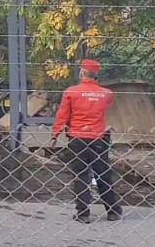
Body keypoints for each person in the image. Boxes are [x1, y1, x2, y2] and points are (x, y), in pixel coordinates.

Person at [48, 58, 122, 224]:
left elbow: (62, 116)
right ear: (96, 75)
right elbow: (103, 108)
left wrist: (54, 135)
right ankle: (113, 212)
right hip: (98, 139)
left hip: (78, 139)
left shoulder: (71, 92)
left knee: (81, 176)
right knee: (103, 175)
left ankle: (83, 214)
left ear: (81, 72)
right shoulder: (107, 94)